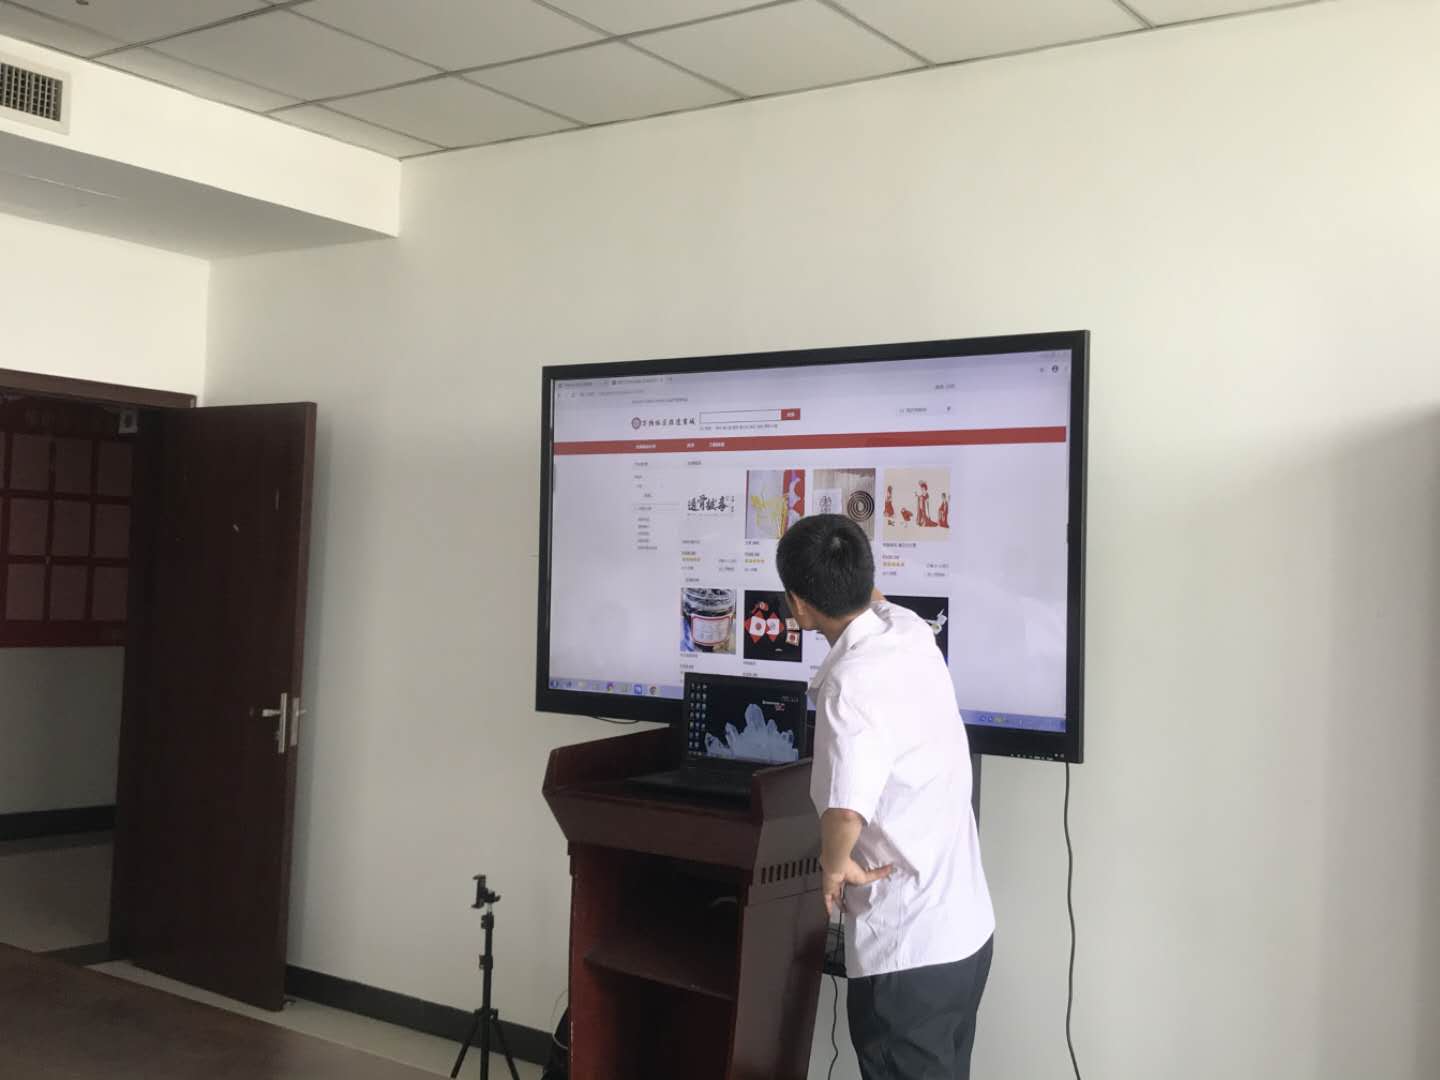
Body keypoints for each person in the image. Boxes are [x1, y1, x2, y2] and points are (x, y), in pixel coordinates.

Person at [776, 514, 994, 1080]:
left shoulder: (851, 683)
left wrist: (833, 868)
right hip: (963, 930)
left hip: (909, 953)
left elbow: (846, 808)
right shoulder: (908, 628)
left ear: (798, 606)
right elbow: (873, 597)